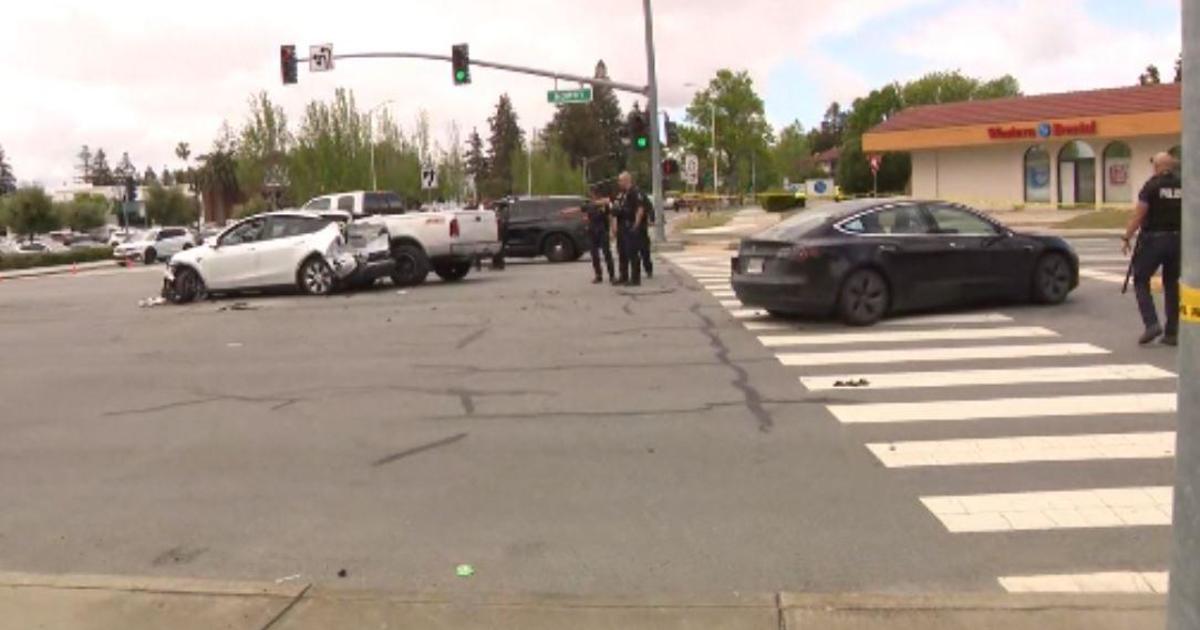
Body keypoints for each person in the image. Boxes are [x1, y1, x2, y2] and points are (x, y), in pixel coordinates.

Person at [1122, 152, 1183, 346]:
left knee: (1140, 279)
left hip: (1154, 240)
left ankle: (1151, 324)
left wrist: (1127, 236)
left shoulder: (1151, 186)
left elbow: (1139, 215)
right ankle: (1172, 332)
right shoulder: (1183, 184)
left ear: (1157, 166)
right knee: (1171, 283)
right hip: (1177, 240)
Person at [612, 172, 645, 286]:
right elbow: (616, 211)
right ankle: (623, 276)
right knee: (622, 252)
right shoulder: (622, 194)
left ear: (627, 180)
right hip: (622, 226)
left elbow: (640, 209)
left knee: (632, 253)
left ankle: (635, 279)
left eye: (620, 180)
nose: (619, 183)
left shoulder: (635, 192)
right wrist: (615, 225)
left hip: (630, 225)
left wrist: (636, 224)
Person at [585, 185, 615, 284]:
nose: (591, 195)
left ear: (597, 194)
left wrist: (612, 229)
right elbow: (586, 215)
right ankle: (598, 275)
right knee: (594, 255)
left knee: (607, 253)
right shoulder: (589, 204)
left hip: (602, 231)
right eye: (590, 193)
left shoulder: (604, 203)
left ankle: (612, 275)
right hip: (592, 232)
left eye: (592, 193)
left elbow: (610, 216)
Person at [637, 188, 655, 279]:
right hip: (629, 227)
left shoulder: (640, 194)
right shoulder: (624, 195)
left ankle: (648, 269)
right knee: (632, 251)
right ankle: (635, 272)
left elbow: (650, 207)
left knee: (644, 250)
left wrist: (651, 219)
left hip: (641, 227)